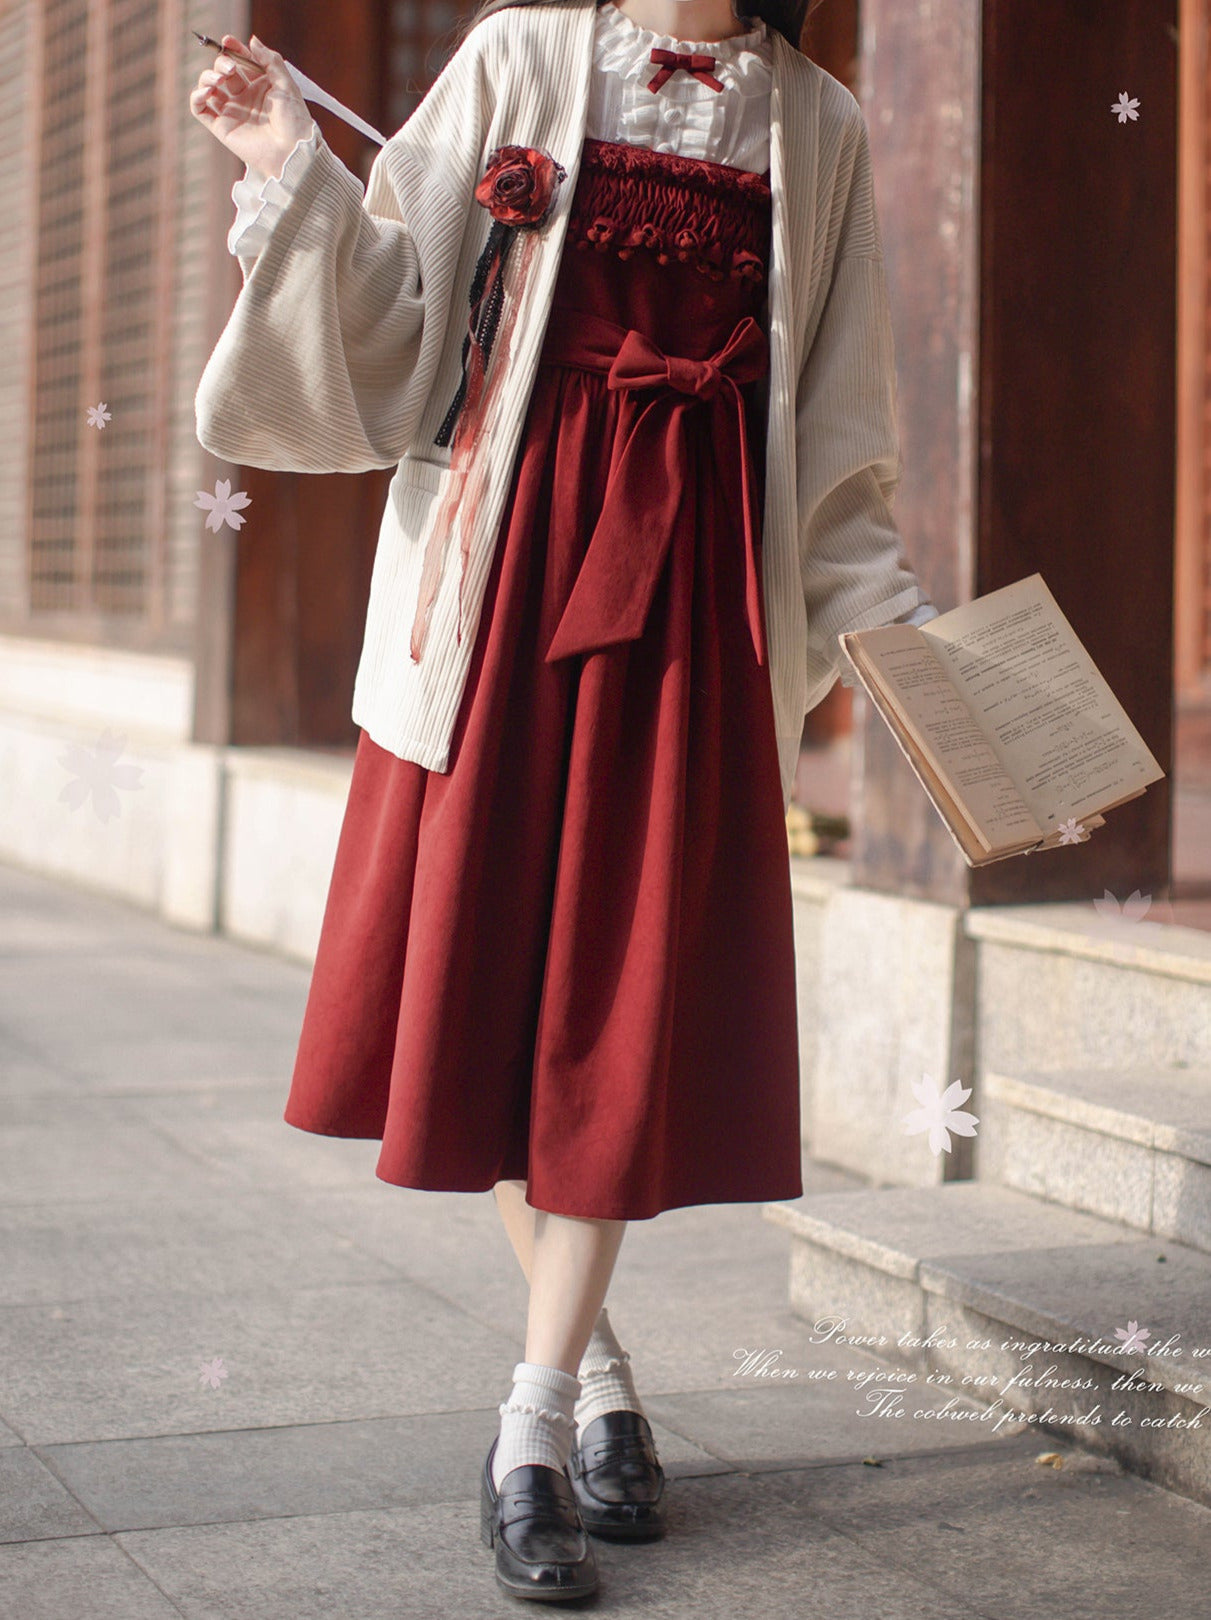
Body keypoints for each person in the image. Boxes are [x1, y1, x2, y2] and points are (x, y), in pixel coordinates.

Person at [190, 0, 938, 1601]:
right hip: (501, 586)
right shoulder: (520, 56)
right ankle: (587, 1384)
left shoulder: (819, 125)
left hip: (689, 619)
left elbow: (841, 435)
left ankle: (528, 1423)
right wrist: (287, 166)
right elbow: (393, 316)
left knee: (607, 1011)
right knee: (496, 1000)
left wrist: (916, 659)